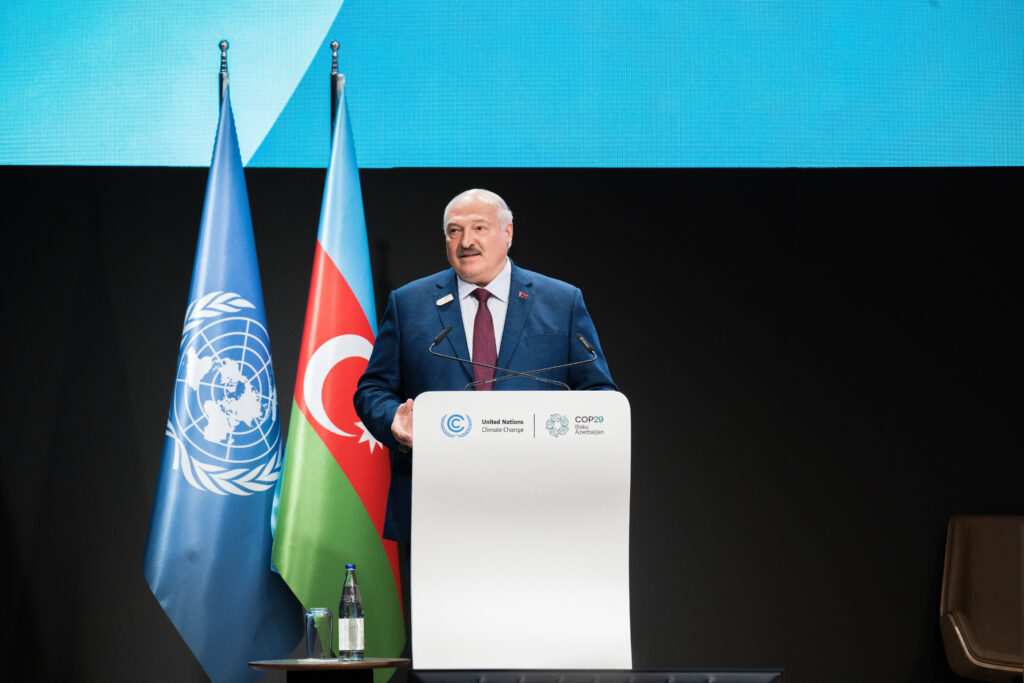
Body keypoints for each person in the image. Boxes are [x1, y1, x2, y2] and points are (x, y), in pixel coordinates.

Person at [354, 188, 616, 543]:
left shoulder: (561, 302)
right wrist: (393, 421)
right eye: (454, 231)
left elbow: (598, 392)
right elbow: (373, 389)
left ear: (508, 233)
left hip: (539, 503)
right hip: (437, 504)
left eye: (479, 228)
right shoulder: (409, 304)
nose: (466, 242)